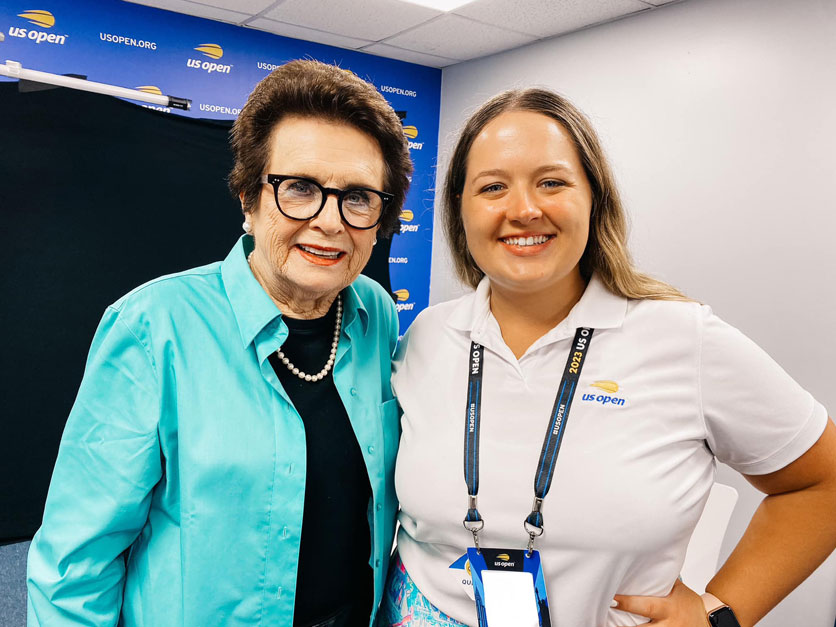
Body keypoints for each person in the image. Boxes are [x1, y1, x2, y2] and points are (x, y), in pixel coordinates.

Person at [379, 88, 836, 627]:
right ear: (460, 210)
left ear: (595, 198)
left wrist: (722, 612)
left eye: (552, 182)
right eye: (492, 187)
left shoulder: (683, 338)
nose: (523, 210)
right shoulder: (427, 337)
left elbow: (822, 482)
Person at [27, 59, 411, 627]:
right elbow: (75, 563)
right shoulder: (153, 327)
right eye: (300, 188)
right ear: (248, 201)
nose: (331, 221)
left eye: (358, 197)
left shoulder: (374, 313)